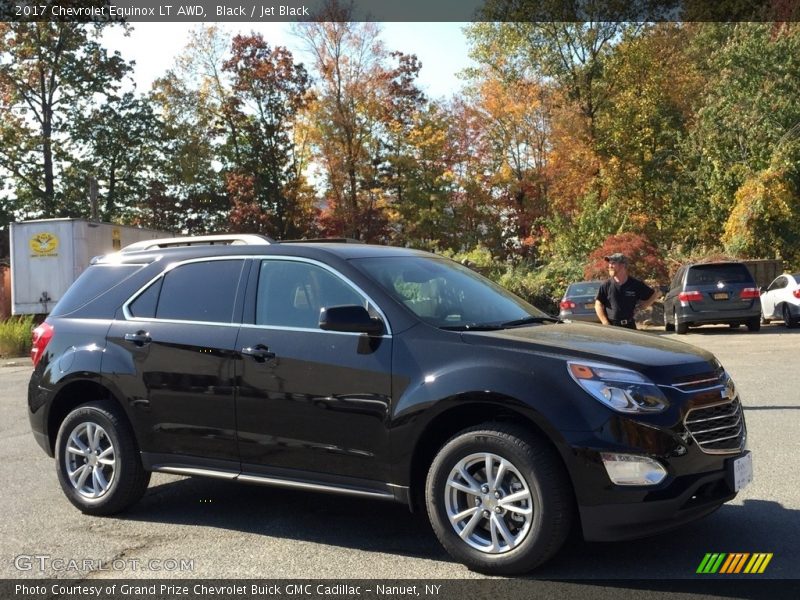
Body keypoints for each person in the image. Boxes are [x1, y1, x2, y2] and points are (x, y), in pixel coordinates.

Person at [595, 253, 659, 329]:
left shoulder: (635, 284)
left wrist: (641, 307)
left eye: (613, 263)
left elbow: (654, 295)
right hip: (612, 326)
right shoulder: (606, 285)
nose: (610, 266)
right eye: (609, 264)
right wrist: (605, 322)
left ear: (622, 265)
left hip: (630, 326)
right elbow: (598, 304)